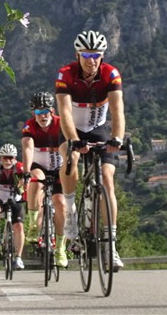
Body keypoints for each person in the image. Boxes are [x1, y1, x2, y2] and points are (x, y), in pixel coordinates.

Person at [55, 30, 127, 270]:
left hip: (97, 129)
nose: (91, 60)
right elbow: (64, 112)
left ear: (102, 56)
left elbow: (117, 111)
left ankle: (111, 247)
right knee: (71, 157)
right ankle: (71, 210)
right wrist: (74, 140)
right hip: (71, 128)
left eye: (96, 55)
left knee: (107, 179)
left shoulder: (111, 74)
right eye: (86, 54)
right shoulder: (66, 74)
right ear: (78, 54)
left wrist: (117, 137)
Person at [21, 91, 69, 268]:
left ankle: (61, 248)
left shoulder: (61, 123)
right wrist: (26, 171)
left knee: (61, 204)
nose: (42, 116)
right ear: (33, 114)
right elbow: (27, 148)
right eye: (38, 113)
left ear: (52, 111)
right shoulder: (29, 126)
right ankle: (34, 223)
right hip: (39, 164)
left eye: (46, 112)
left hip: (59, 167)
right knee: (35, 179)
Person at [0, 144, 27, 270]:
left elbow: (23, 182)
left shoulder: (19, 167)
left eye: (10, 158)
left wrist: (23, 188)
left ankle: (18, 258)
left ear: (15, 158)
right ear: (0, 158)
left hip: (15, 196)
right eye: (5, 158)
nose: (8, 161)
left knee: (19, 226)